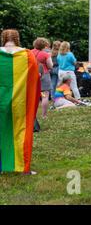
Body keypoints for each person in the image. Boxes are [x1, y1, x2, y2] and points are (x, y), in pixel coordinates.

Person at [0, 29, 40, 174]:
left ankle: (2, 166)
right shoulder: (27, 55)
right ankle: (23, 167)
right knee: (22, 130)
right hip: (20, 101)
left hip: (1, 100)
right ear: (17, 39)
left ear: (3, 38)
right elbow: (34, 77)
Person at [31, 37, 53, 120]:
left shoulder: (30, 52)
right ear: (44, 45)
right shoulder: (45, 54)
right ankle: (44, 115)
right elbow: (50, 65)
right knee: (44, 95)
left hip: (32, 76)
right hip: (44, 76)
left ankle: (32, 114)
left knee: (32, 96)